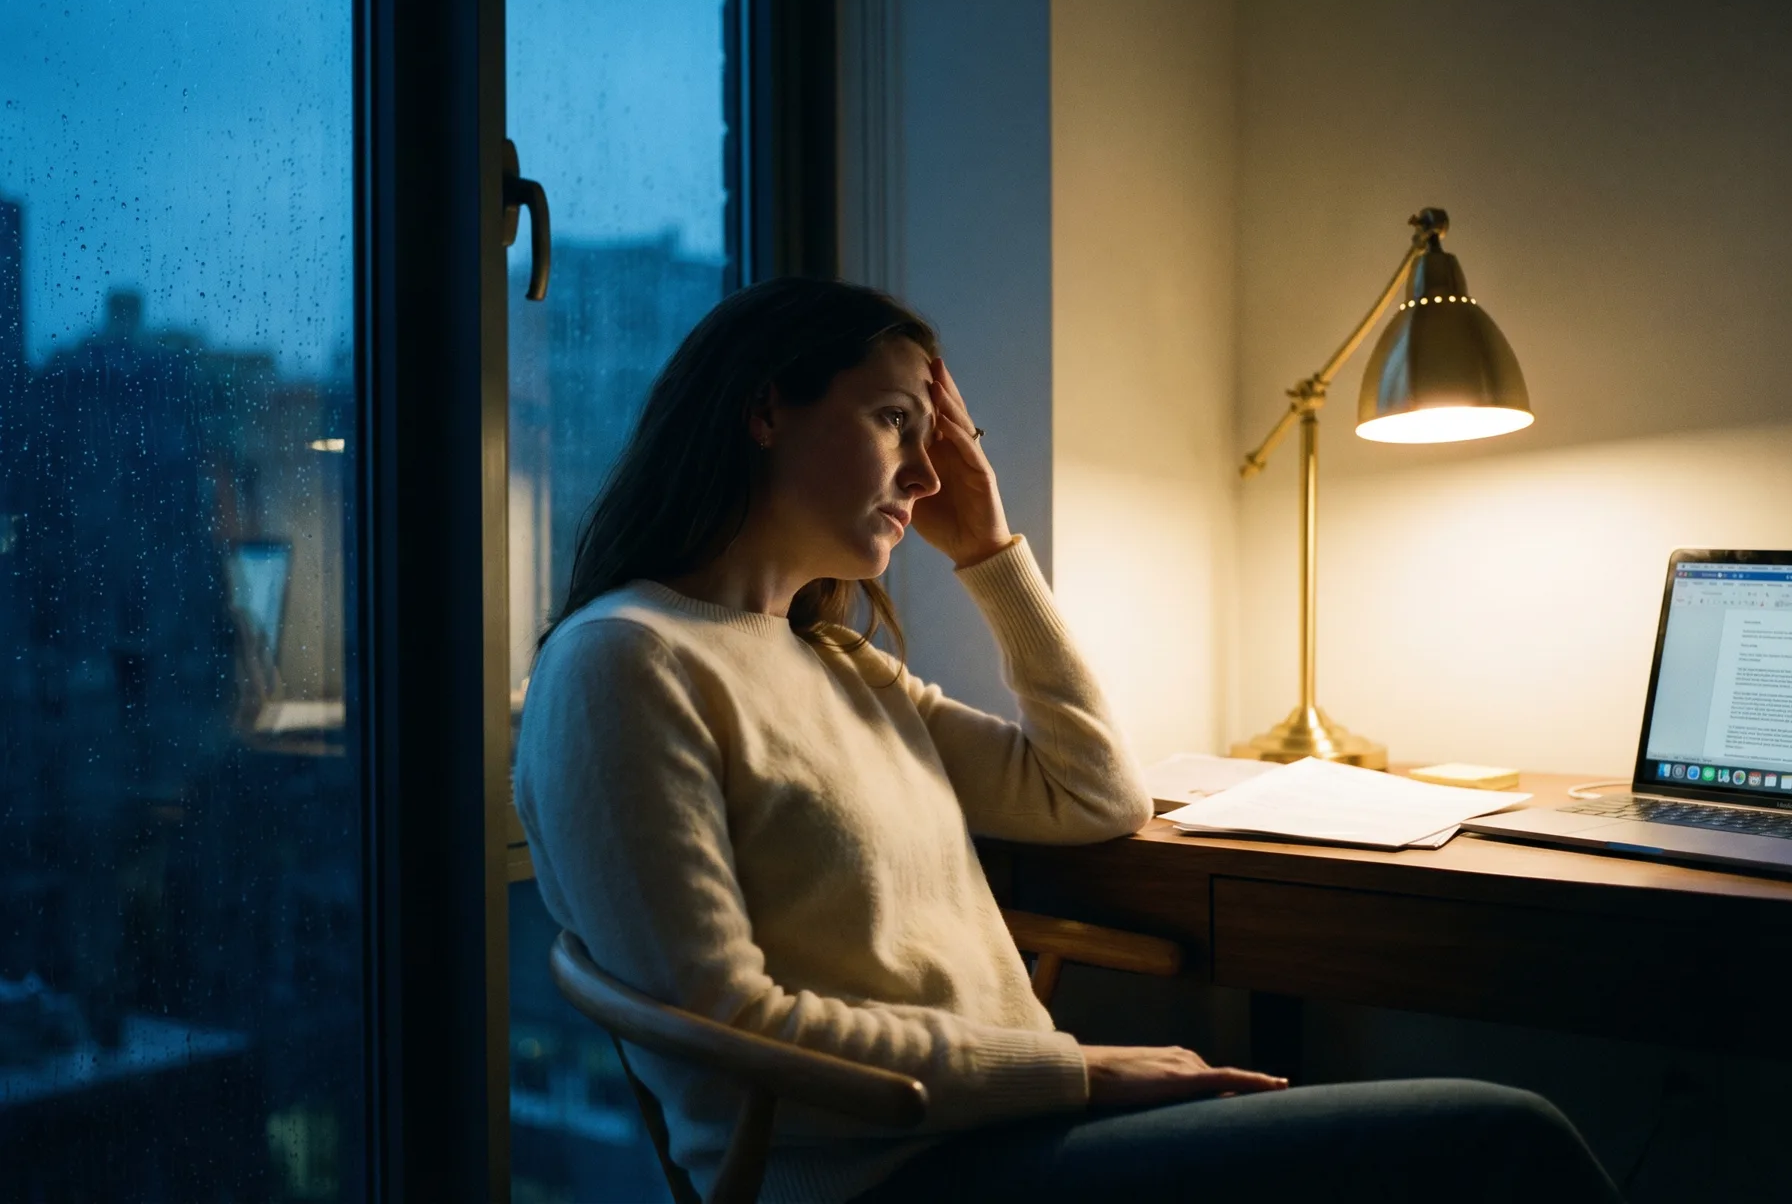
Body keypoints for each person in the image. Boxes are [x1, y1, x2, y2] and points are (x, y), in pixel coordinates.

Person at [512, 278, 1621, 1204]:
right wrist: (1077, 1072)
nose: (929, 474)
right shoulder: (627, 662)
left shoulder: (829, 661)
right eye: (897, 419)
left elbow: (1094, 794)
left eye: (934, 436)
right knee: (1498, 1138)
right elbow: (731, 1031)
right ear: (765, 411)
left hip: (1001, 1129)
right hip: (877, 1174)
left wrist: (990, 551)